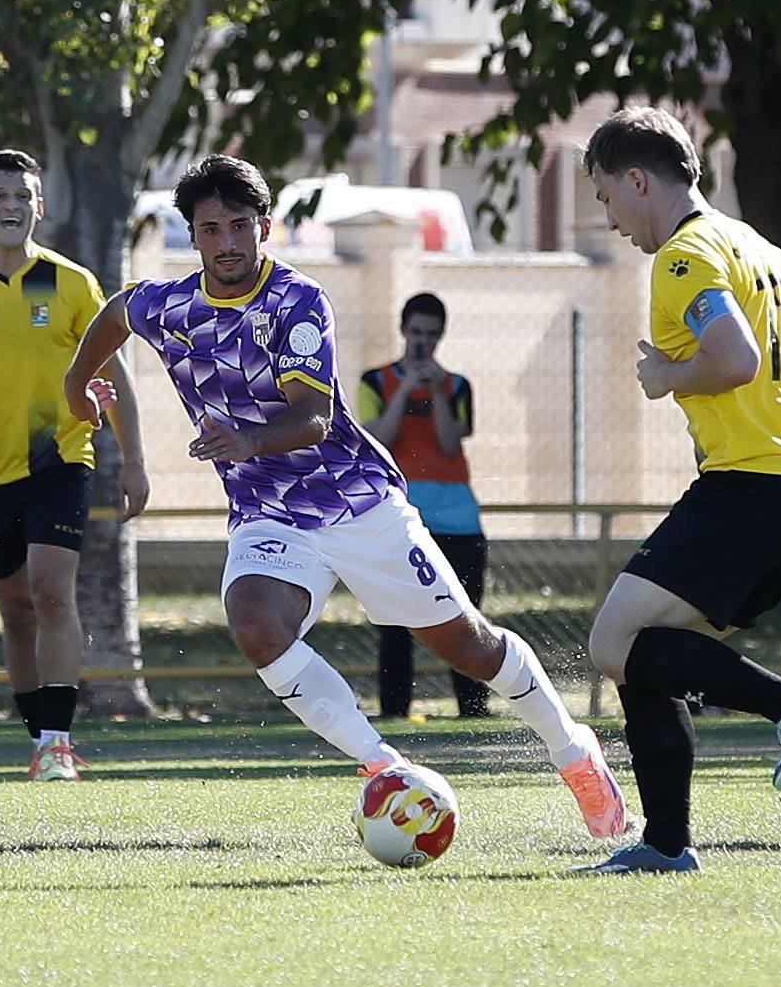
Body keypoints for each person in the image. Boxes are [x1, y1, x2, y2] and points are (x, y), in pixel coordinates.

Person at [62, 154, 626, 838]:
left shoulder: (296, 301)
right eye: (210, 230)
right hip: (269, 514)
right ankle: (383, 766)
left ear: (265, 226)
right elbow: (117, 311)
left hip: (356, 502)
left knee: (469, 647)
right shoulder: (173, 305)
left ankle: (574, 753)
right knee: (255, 624)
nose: (228, 243)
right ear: (194, 235)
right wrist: (76, 384)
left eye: (240, 225)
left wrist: (245, 441)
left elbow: (313, 417)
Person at [576, 106, 781, 875]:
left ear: (638, 180)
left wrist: (667, 376)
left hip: (751, 489)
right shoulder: (755, 244)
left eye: (606, 197)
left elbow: (732, 358)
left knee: (612, 643)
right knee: (646, 654)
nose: (609, 217)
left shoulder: (682, 257)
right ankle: (666, 844)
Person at [0, 148, 149, 782]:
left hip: (60, 455)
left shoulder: (66, 281)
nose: (12, 206)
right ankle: (39, 738)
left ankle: (57, 741)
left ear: (39, 207)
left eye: (23, 196)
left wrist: (133, 461)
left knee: (51, 590)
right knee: (16, 610)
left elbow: (115, 372)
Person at [358, 292, 490, 719]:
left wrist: (435, 390)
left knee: (465, 616)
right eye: (417, 333)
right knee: (395, 622)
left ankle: (473, 709)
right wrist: (405, 390)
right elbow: (379, 438)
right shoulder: (375, 382)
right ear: (403, 331)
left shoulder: (456, 386)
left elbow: (451, 441)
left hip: (457, 518)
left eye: (431, 335)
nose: (423, 342)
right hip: (399, 517)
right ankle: (394, 710)